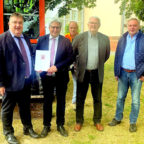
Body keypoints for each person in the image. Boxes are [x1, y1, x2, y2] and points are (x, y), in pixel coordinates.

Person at [0, 12, 39, 144]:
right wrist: (1, 84)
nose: (17, 25)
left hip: (26, 81)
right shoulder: (2, 39)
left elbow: (29, 57)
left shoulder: (26, 38)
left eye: (20, 23)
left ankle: (28, 128)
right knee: (7, 109)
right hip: (10, 82)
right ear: (9, 24)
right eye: (15, 22)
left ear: (23, 24)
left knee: (25, 107)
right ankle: (8, 133)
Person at [36, 20, 73, 137]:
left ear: (60, 28)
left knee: (61, 101)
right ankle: (46, 125)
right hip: (46, 77)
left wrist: (57, 67)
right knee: (47, 100)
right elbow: (36, 55)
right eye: (52, 27)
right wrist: (38, 66)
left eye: (57, 27)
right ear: (49, 27)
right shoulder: (42, 40)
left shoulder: (66, 41)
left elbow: (70, 58)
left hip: (61, 75)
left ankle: (60, 125)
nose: (55, 30)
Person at [72, 16, 110, 132]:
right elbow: (73, 53)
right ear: (87, 25)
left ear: (99, 25)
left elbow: (106, 55)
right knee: (80, 98)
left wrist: (96, 64)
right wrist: (77, 66)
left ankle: (97, 121)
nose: (93, 25)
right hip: (83, 73)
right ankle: (79, 121)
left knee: (97, 98)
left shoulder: (105, 39)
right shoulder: (79, 38)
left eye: (95, 23)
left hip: (97, 73)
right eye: (91, 23)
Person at [108, 18, 144, 132]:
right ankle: (118, 118)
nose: (132, 27)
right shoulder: (122, 39)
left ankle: (132, 122)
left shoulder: (143, 39)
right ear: (127, 26)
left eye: (134, 25)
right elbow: (117, 56)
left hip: (137, 74)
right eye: (130, 25)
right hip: (123, 73)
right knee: (120, 97)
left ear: (138, 26)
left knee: (135, 101)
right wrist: (116, 72)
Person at [65, 21, 78, 109]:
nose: (73, 29)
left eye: (74, 27)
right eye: (71, 27)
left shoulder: (80, 37)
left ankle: (75, 100)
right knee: (64, 81)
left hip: (76, 63)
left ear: (77, 28)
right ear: (69, 28)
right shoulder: (65, 37)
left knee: (76, 81)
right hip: (66, 62)